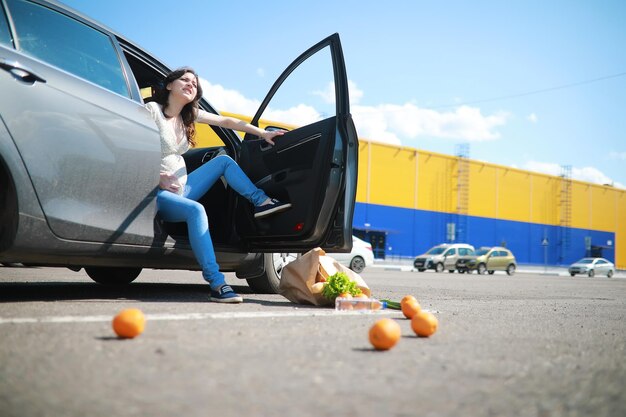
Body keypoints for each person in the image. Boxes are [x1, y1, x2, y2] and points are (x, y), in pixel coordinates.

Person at [145, 67, 291, 303]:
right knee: (196, 210)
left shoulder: (188, 117)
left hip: (184, 188)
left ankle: (261, 201)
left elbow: (226, 121)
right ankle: (217, 283)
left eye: (194, 83)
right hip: (157, 193)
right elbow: (130, 145)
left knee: (223, 161)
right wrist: (155, 175)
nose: (191, 84)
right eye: (185, 79)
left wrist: (262, 133)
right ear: (169, 85)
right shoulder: (152, 110)